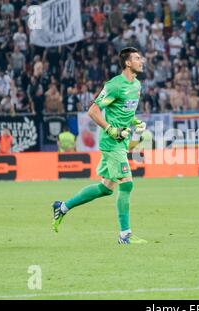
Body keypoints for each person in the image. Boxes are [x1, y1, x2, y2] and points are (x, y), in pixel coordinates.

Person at [52, 47, 147, 245]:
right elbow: (93, 111)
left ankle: (62, 207)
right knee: (127, 183)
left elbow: (124, 113)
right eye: (137, 58)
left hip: (121, 142)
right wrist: (111, 129)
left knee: (106, 188)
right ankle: (125, 235)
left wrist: (135, 122)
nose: (141, 61)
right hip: (111, 142)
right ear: (128, 63)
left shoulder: (136, 85)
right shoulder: (114, 85)